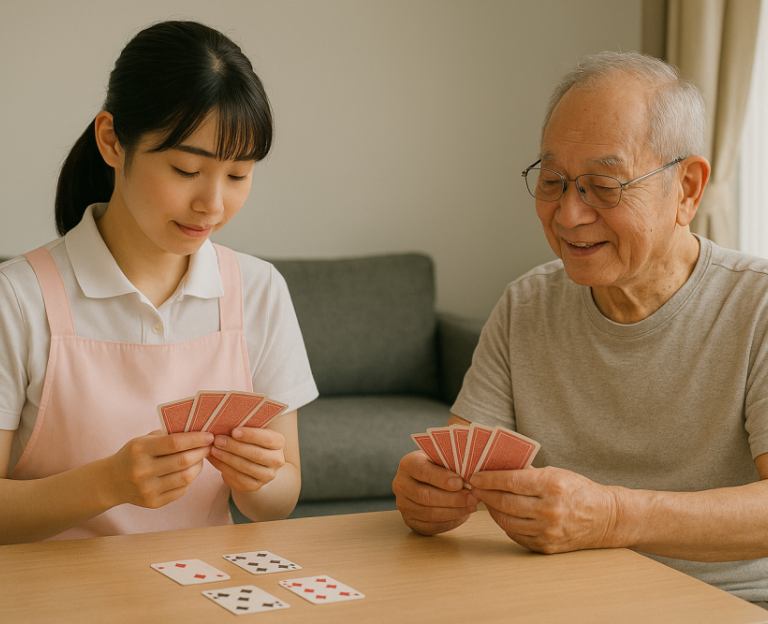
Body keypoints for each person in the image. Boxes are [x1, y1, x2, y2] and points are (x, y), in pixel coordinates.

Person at [393, 50, 768, 607]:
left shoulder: (757, 305)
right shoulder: (527, 303)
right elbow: (458, 464)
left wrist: (615, 516)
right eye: (553, 181)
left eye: (603, 185)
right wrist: (427, 491)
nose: (569, 214)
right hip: (554, 601)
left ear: (687, 188)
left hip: (718, 604)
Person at [0, 21, 318, 544]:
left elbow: (278, 500)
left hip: (203, 591)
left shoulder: (258, 291)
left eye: (238, 175)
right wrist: (106, 483)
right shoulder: (19, 299)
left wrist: (258, 480)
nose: (213, 205)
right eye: (185, 169)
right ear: (111, 141)